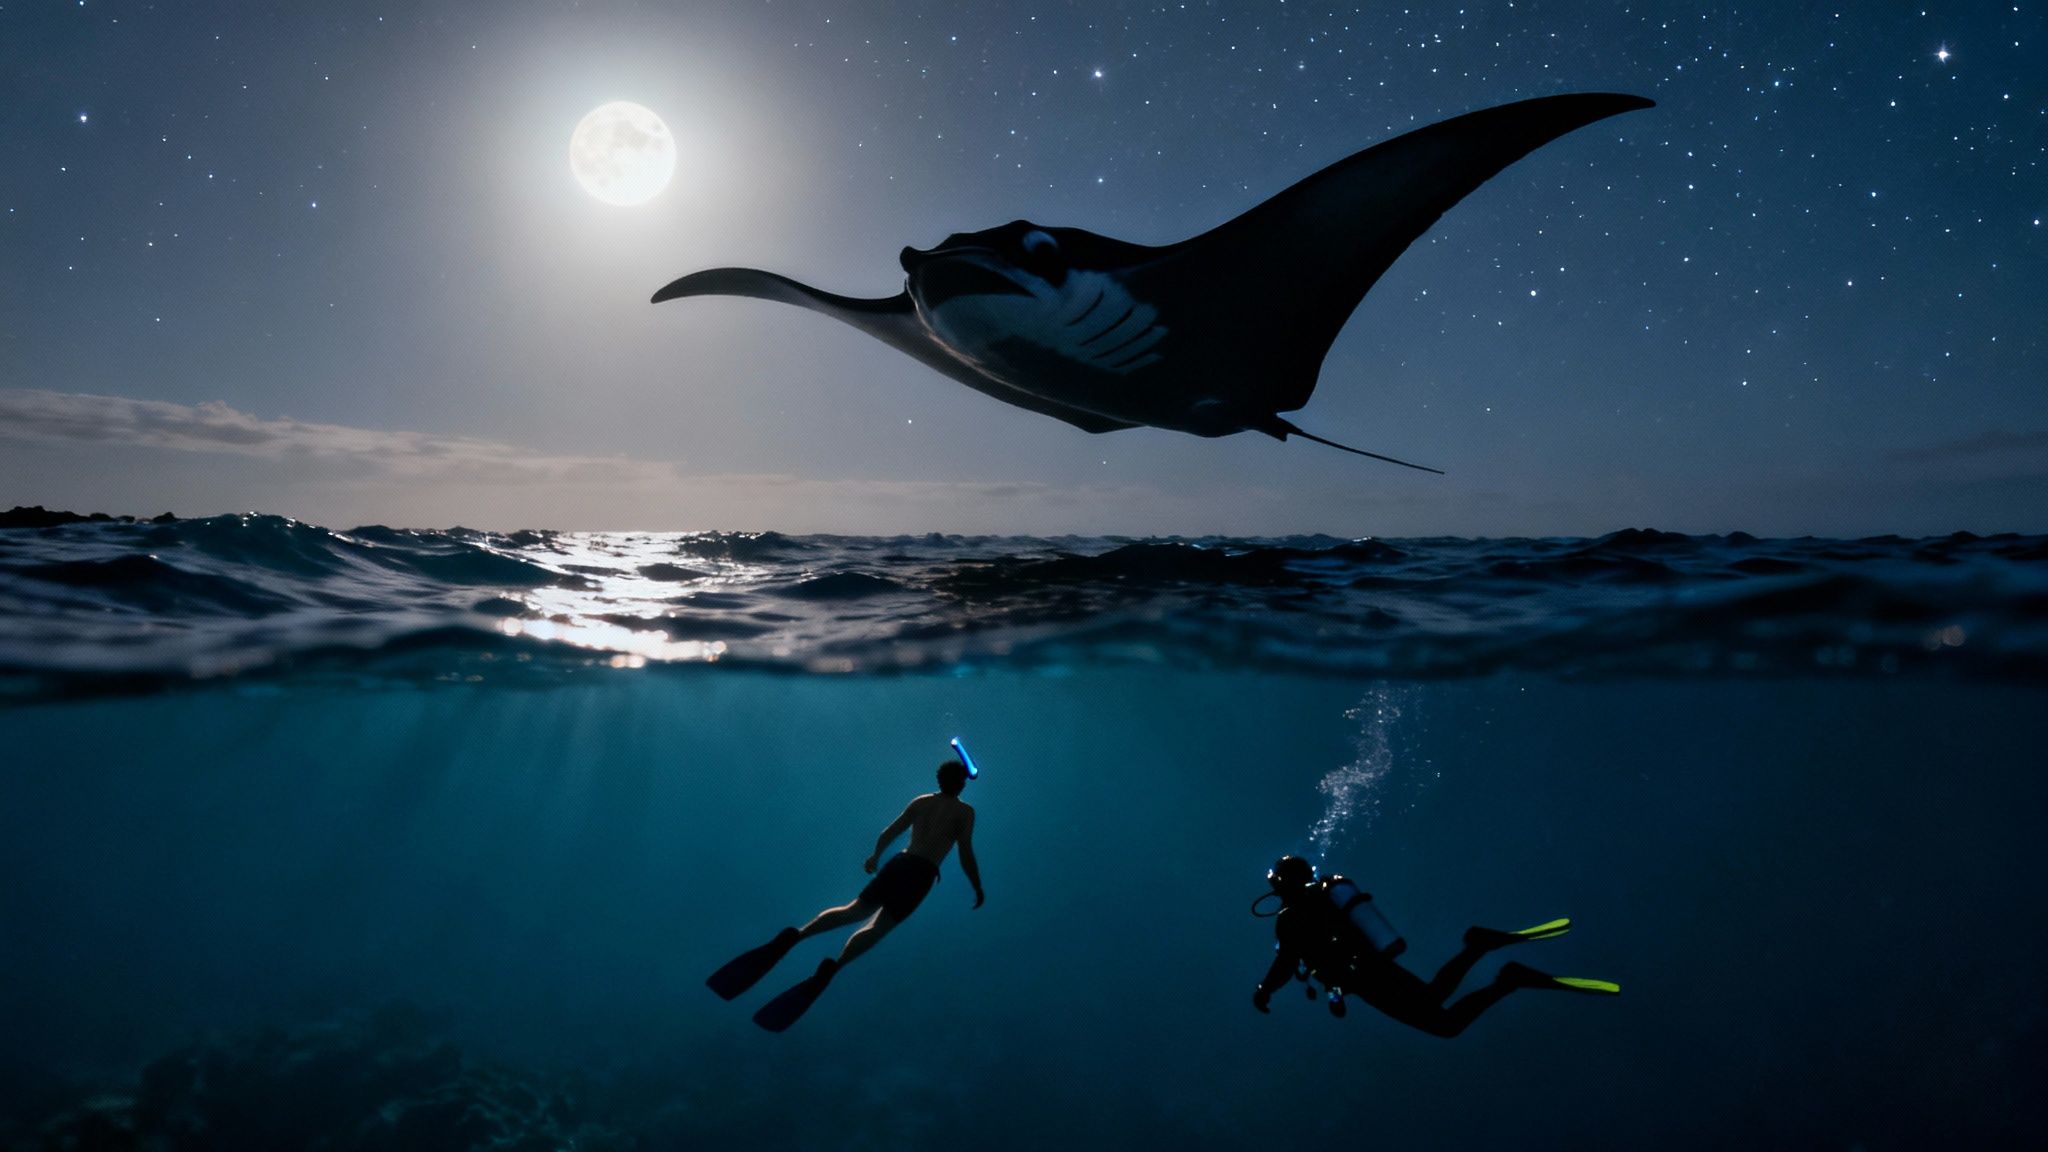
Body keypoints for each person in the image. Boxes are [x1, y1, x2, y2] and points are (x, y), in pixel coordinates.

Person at [707, 758, 984, 1031]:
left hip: (900, 862)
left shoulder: (922, 802)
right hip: (922, 873)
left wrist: (875, 856)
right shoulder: (965, 812)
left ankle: (798, 935)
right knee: (879, 926)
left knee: (855, 910)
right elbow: (965, 852)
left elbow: (890, 831)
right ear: (960, 783)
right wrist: (976, 886)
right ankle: (835, 966)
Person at [1251, 855, 1616, 1037]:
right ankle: (1482, 951)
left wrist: (1264, 990)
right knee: (1436, 1002)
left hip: (1364, 978)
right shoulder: (1326, 897)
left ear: (1282, 884)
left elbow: (1286, 962)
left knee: (1444, 1022)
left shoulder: (1291, 918)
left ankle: (1505, 974)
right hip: (1371, 968)